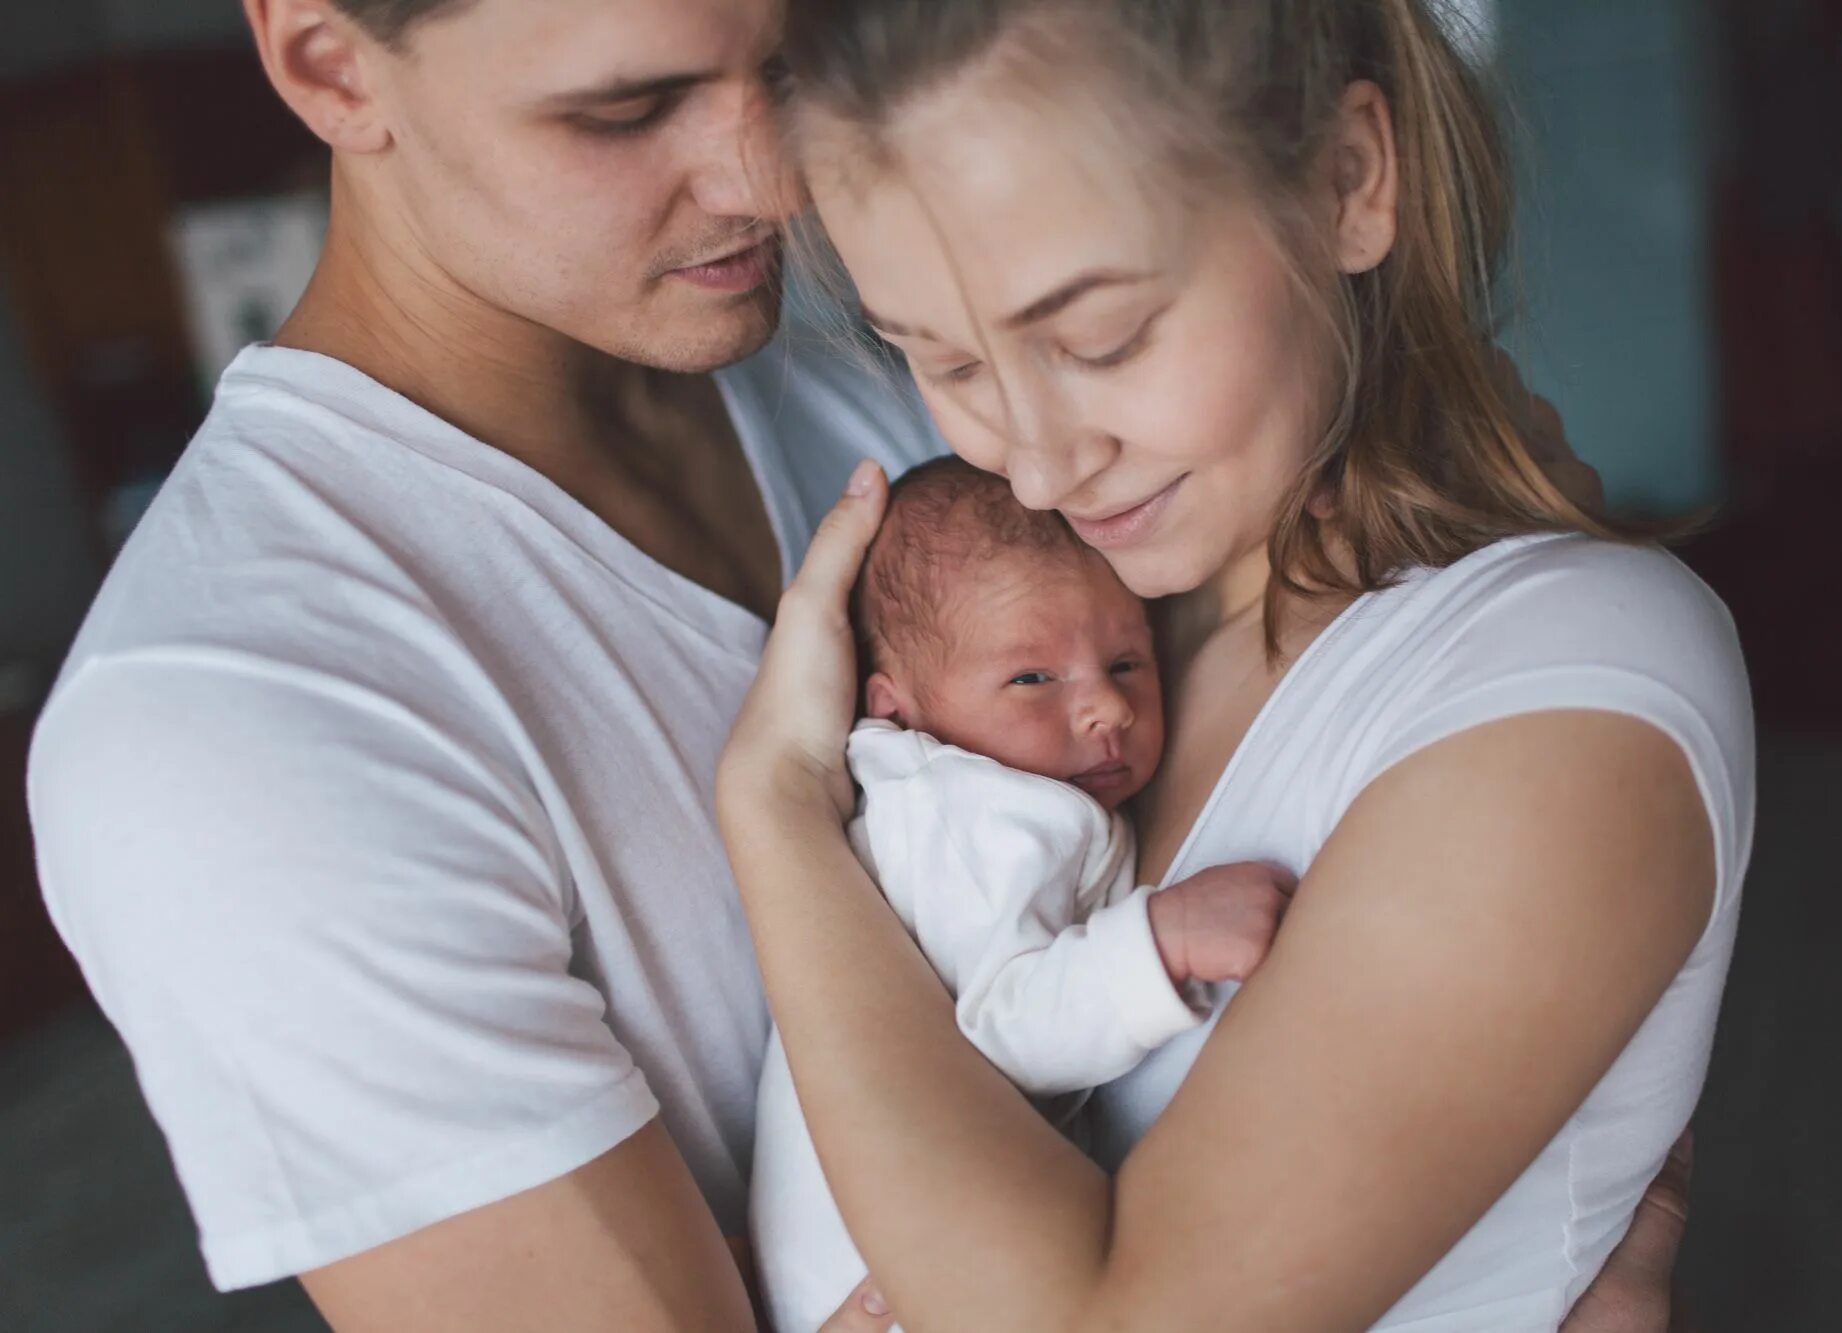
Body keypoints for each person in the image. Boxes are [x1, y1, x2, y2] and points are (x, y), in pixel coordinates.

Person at [24, 0, 1689, 1328]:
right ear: (328, 60)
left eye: (793, 59)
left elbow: (1439, 599)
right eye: (629, 105)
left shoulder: (914, 401)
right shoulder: (230, 731)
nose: (770, 178)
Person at [718, 1, 1753, 1331]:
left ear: (1348, 180)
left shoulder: (1565, 668)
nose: (1037, 463)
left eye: (1102, 341)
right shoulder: (1110, 644)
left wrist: (776, 821)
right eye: (951, 364)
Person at [751, 457, 1293, 1332]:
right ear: (899, 711)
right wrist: (1159, 941)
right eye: (1033, 679)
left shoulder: (996, 790)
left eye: (1126, 661)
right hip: (887, 1279)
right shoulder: (974, 811)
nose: (1105, 710)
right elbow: (999, 1031)